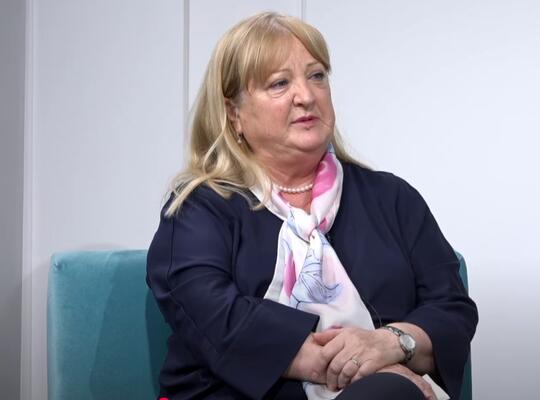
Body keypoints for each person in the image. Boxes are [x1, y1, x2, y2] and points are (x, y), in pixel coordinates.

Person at [147, 12, 477, 400]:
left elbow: (451, 308)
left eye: (317, 76)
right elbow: (213, 316)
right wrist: (360, 367)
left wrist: (392, 343)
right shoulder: (200, 208)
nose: (306, 95)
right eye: (279, 83)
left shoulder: (392, 198)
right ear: (234, 113)